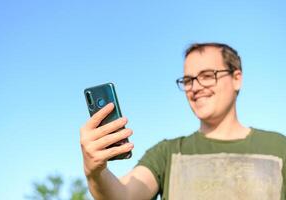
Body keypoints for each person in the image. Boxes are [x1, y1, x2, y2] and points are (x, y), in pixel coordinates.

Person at [79, 43, 286, 200]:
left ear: (237, 78)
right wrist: (95, 172)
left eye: (207, 75)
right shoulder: (167, 153)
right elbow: (123, 195)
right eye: (187, 80)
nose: (195, 87)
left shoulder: (279, 147)